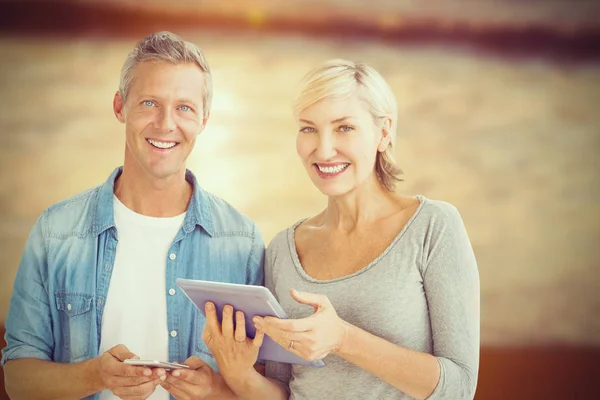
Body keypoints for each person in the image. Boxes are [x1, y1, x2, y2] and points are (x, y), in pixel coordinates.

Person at [1, 31, 265, 400]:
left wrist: (213, 391)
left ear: (204, 119)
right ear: (119, 106)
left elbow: (262, 386)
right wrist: (95, 376)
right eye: (149, 103)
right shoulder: (55, 231)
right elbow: (17, 380)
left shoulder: (243, 242)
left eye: (184, 108)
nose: (165, 123)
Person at [202, 59, 480, 400]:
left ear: (384, 132)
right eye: (308, 129)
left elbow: (460, 387)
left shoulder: (433, 226)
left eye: (344, 127)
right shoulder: (283, 250)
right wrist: (237, 375)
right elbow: (285, 391)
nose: (323, 148)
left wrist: (343, 339)